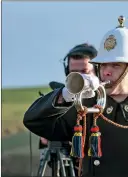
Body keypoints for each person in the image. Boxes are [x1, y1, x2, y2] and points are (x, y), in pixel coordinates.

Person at [24, 16, 128, 176]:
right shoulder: (85, 109)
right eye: (103, 65)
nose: (106, 72)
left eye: (116, 65)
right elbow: (34, 121)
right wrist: (66, 94)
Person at [38, 43, 97, 174]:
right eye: (73, 73)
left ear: (97, 71)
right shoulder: (62, 99)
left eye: (85, 72)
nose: (79, 78)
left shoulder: (105, 102)